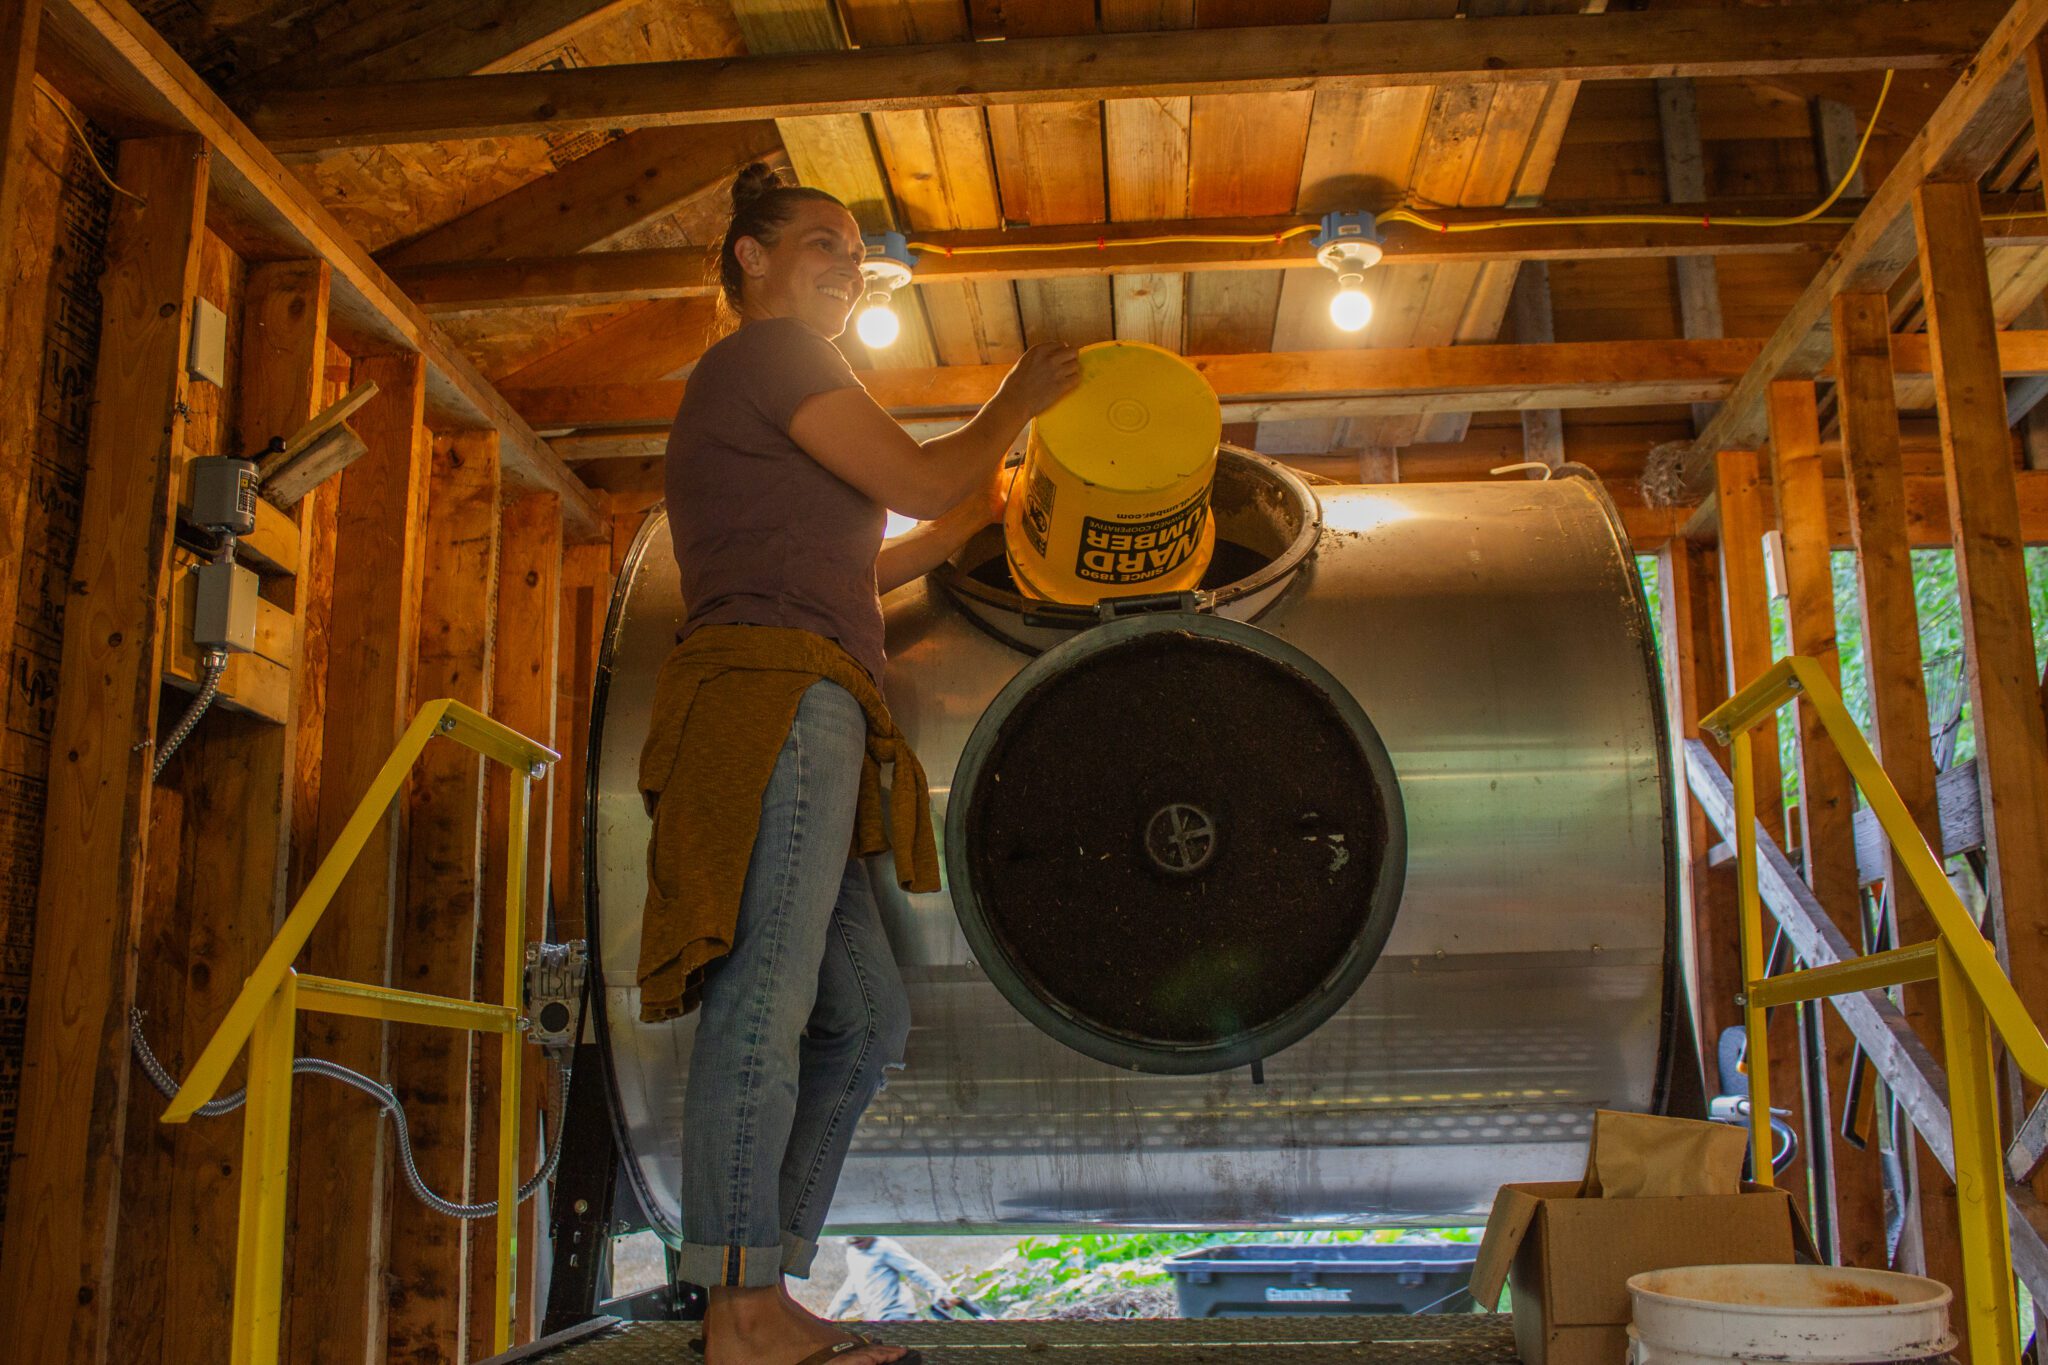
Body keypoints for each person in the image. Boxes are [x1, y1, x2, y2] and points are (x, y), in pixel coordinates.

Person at [636, 162, 1079, 1365]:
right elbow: (924, 473)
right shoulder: (774, 358)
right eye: (824, 242)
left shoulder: (769, 398)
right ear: (750, 259)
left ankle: (764, 1287)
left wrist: (962, 529)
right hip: (775, 696)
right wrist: (1012, 399)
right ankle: (738, 1311)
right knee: (762, 1004)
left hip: (807, 684)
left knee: (866, 1019)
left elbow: (864, 562)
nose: (848, 263)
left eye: (854, 250)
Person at [826, 1236, 966, 1322]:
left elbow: (916, 1270)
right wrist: (832, 1313)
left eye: (860, 1236)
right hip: (875, 1316)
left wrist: (941, 1293)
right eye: (851, 1239)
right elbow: (852, 1284)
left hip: (896, 1314)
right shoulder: (853, 1253)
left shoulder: (884, 1247)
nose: (855, 1240)